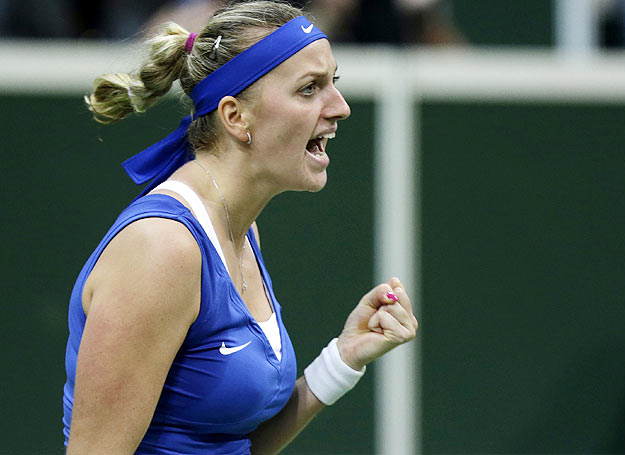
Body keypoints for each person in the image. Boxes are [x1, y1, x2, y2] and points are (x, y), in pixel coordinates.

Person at [62, 1, 418, 454]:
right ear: (235, 117)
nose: (340, 107)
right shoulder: (164, 250)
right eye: (310, 89)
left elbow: (226, 445)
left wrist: (342, 360)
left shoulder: (241, 230)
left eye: (334, 83)